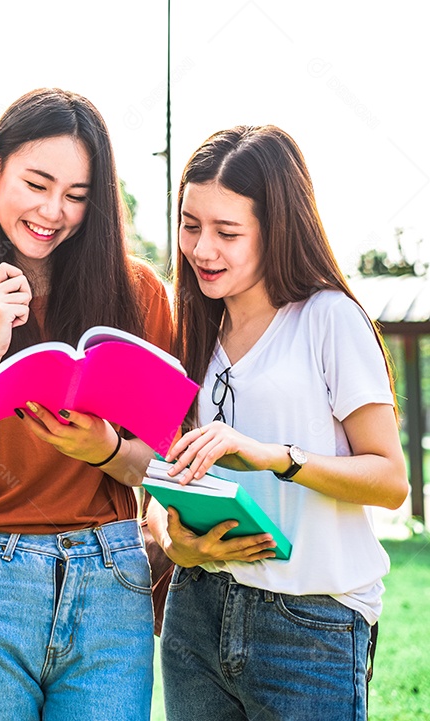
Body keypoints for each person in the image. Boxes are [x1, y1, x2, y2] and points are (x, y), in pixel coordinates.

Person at [0, 88, 172, 721]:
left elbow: (163, 470)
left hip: (110, 577)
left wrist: (102, 449)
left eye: (77, 195)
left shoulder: (139, 297)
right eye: (37, 183)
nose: (54, 211)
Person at [148, 125, 409, 721]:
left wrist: (272, 456)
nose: (201, 249)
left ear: (277, 229)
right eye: (190, 225)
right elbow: (166, 479)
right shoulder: (190, 327)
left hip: (309, 625)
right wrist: (174, 541)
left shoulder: (329, 320)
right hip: (195, 615)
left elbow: (391, 479)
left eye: (227, 232)